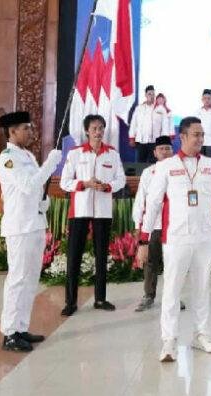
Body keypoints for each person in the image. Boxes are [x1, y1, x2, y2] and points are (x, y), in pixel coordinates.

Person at [136, 116, 211, 362]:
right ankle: (169, 340)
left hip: (204, 238)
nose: (200, 139)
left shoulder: (210, 165)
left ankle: (201, 335)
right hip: (176, 238)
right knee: (172, 289)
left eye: (202, 134)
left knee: (202, 287)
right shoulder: (166, 166)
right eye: (196, 134)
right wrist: (143, 240)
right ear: (183, 137)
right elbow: (153, 204)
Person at [0, 111, 63, 351]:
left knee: (31, 279)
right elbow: (28, 185)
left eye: (30, 127)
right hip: (19, 227)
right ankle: (9, 333)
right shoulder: (7, 158)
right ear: (12, 131)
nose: (30, 132)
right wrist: (50, 164)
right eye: (26, 128)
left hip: (34, 223)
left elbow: (35, 190)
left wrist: (43, 202)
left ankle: (21, 327)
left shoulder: (27, 156)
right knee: (17, 280)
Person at [59, 115, 126, 316]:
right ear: (87, 131)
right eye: (94, 128)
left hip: (103, 212)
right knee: (74, 256)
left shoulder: (112, 154)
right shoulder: (75, 153)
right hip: (80, 210)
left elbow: (121, 179)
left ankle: (100, 298)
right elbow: (64, 182)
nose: (98, 132)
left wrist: (108, 186)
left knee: (101, 256)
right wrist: (84, 184)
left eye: (101, 128)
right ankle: (70, 302)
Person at [132, 135, 185, 312]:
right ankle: (148, 295)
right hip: (153, 224)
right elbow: (141, 199)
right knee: (151, 262)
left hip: (174, 225)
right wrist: (138, 225)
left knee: (174, 263)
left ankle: (174, 297)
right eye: (161, 149)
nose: (164, 152)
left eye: (168, 149)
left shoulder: (181, 171)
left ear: (173, 152)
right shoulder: (148, 173)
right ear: (155, 153)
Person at [129, 85, 170, 163]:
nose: (152, 96)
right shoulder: (139, 108)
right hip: (141, 141)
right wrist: (132, 138)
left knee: (154, 164)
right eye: (149, 94)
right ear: (145, 95)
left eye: (153, 94)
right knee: (140, 164)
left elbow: (165, 126)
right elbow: (133, 124)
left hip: (155, 142)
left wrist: (164, 141)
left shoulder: (161, 109)